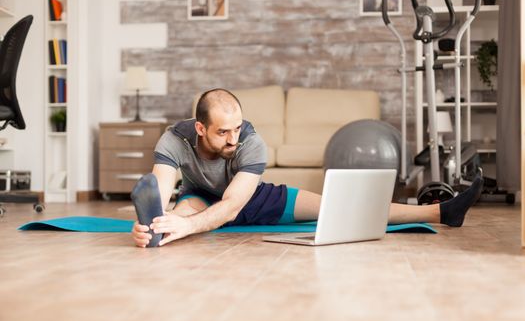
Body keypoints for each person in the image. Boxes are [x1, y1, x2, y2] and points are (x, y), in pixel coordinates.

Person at [131, 88, 483, 248]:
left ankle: (442, 212)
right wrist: (153, 223)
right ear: (200, 128)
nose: (232, 139)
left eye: (237, 128)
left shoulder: (250, 142)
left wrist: (189, 225)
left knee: (342, 206)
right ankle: (160, 232)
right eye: (222, 132)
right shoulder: (173, 140)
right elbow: (159, 187)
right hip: (200, 198)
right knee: (173, 220)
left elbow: (234, 205)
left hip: (250, 197)